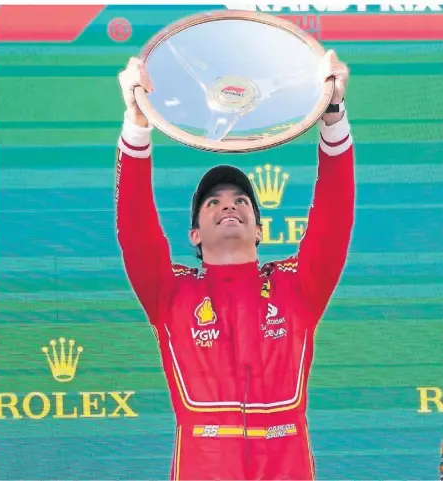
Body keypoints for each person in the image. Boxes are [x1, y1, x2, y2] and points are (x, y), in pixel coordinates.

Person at [115, 49, 355, 481]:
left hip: (287, 468)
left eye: (241, 200)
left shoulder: (296, 285)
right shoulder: (171, 291)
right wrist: (136, 123)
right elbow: (136, 228)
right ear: (194, 235)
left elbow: (333, 218)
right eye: (214, 202)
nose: (230, 206)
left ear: (260, 230)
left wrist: (333, 115)